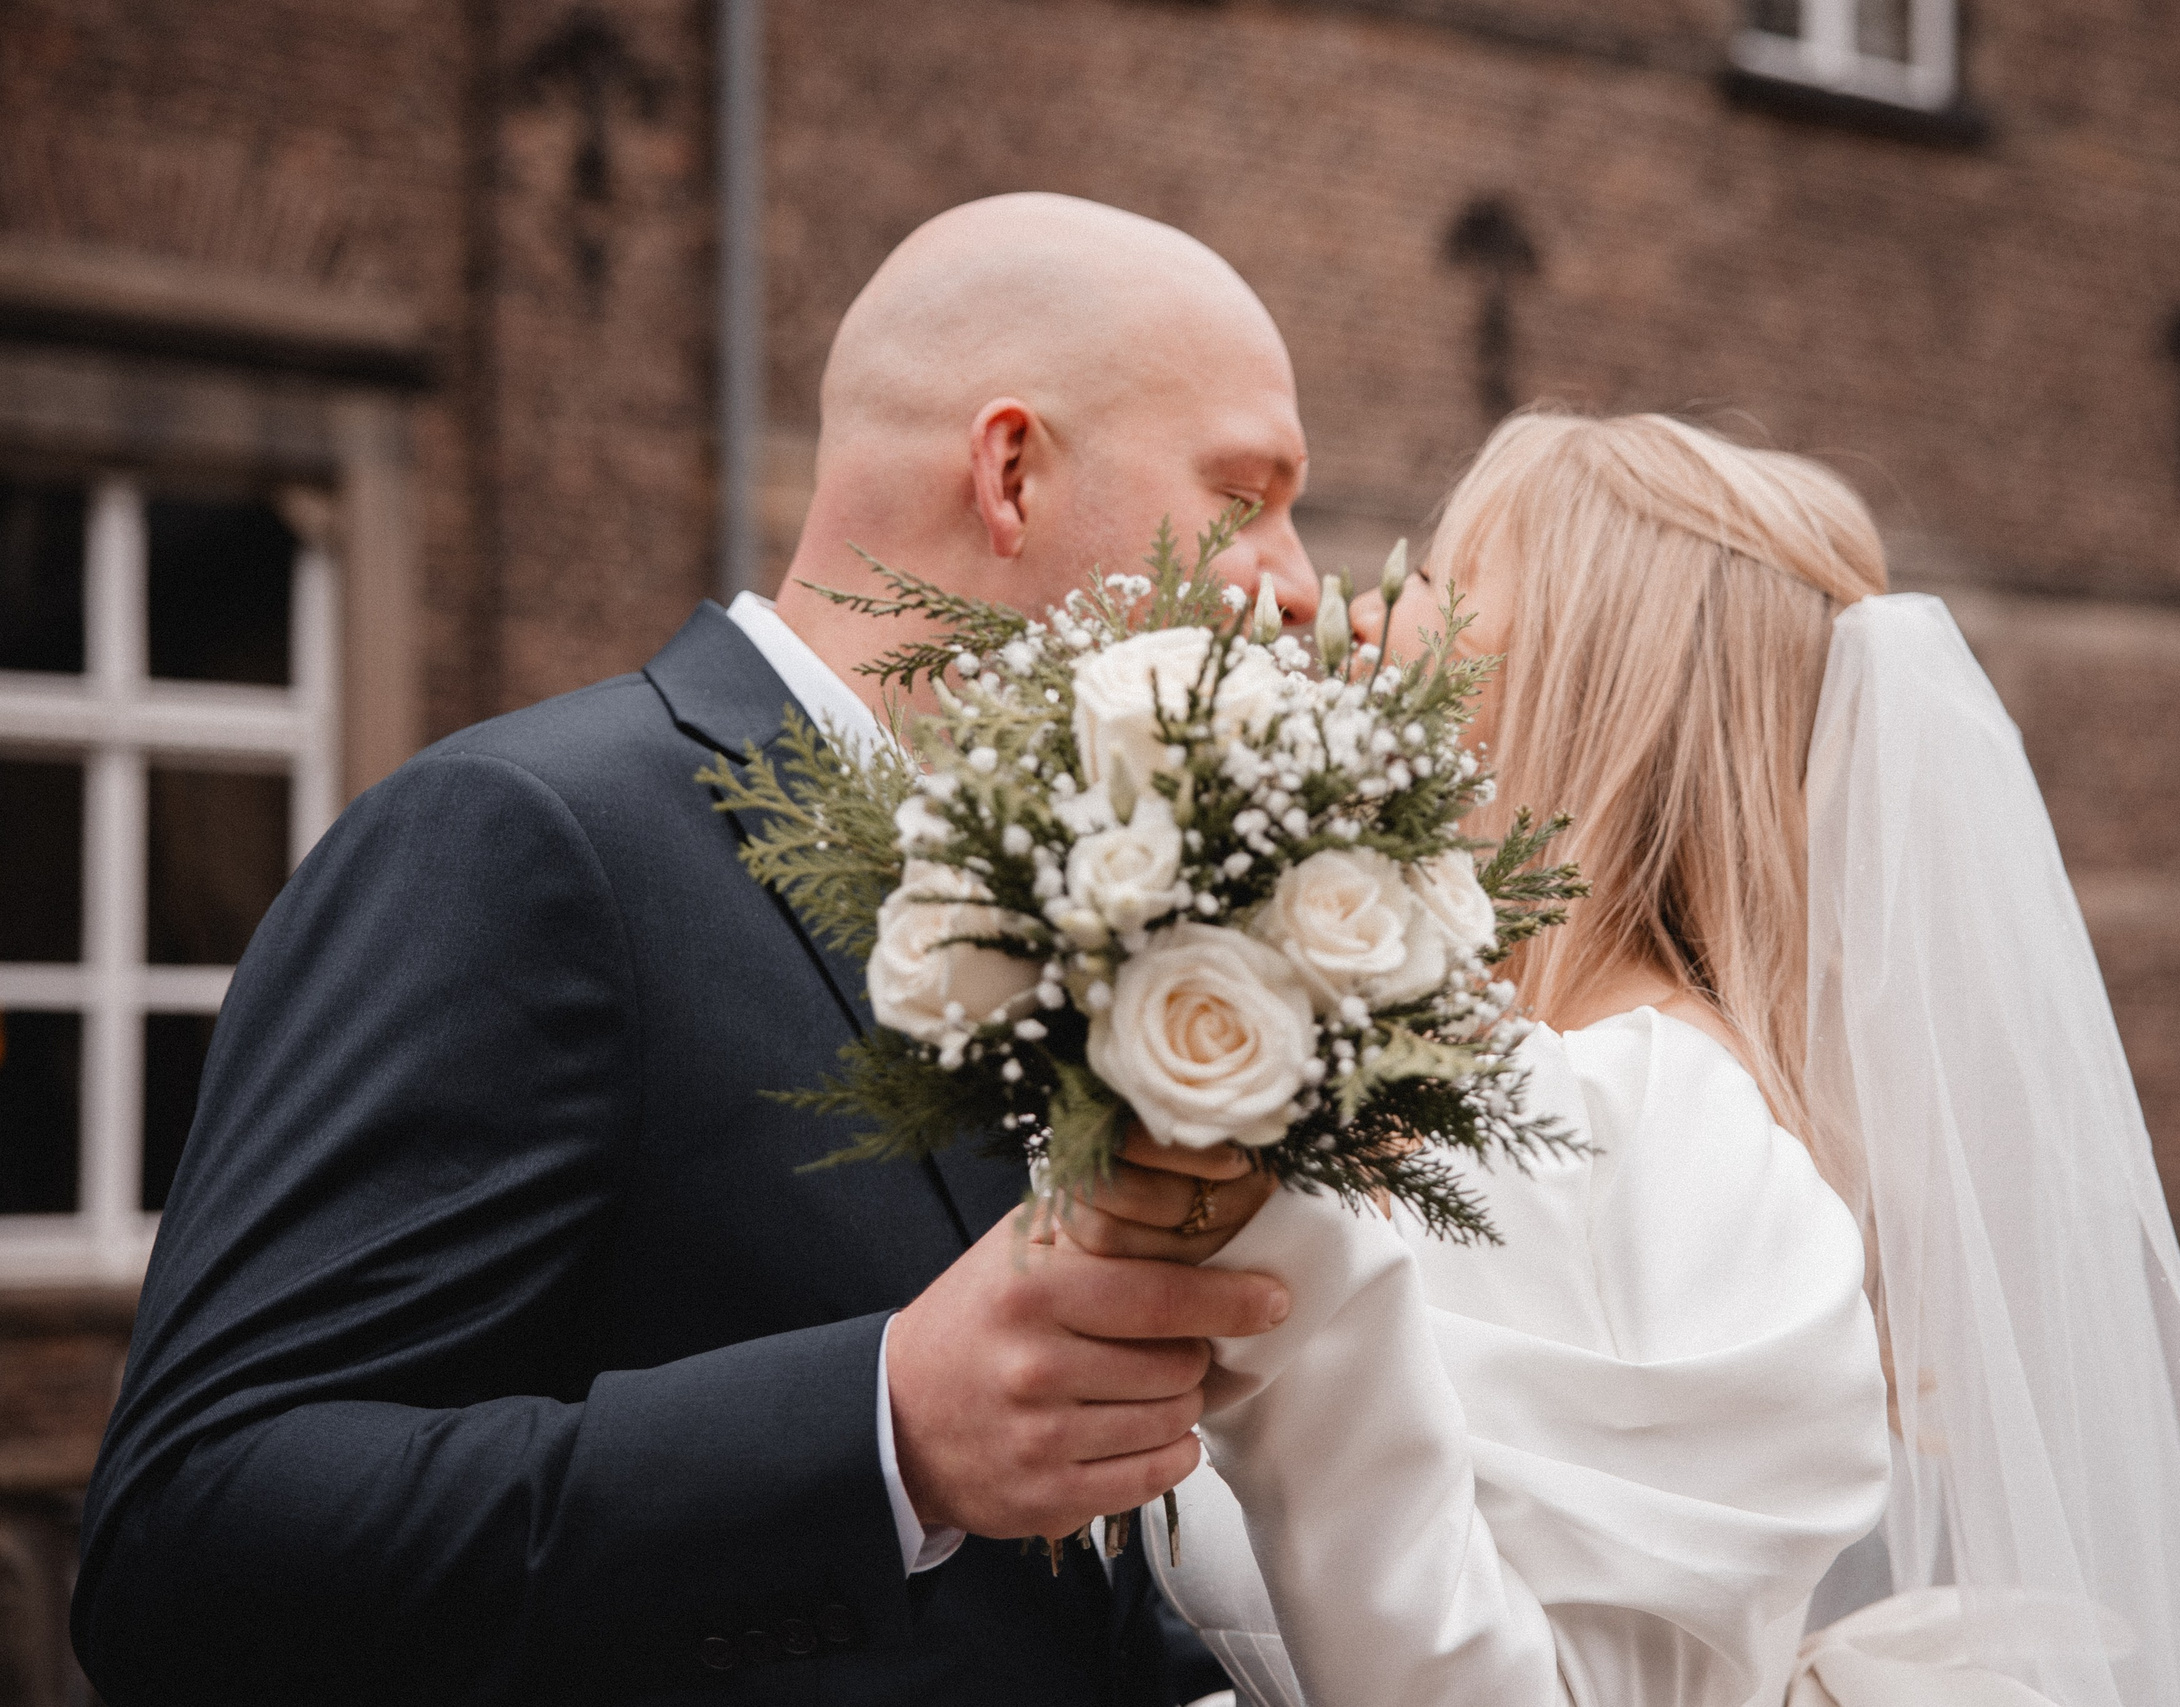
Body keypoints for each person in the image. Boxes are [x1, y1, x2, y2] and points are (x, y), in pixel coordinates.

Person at [72, 193, 1314, 1707]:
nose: (1300, 580)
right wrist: (881, 1434)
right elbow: (188, 1540)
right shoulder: (530, 837)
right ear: (1009, 474)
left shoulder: (1080, 922)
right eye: (1244, 493)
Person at [1062, 411, 2180, 1707]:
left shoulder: (1635, 1127)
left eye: (1435, 582)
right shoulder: (1515, 1087)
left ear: (1569, 684)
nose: (1365, 619)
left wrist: (1273, 1263)